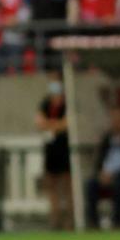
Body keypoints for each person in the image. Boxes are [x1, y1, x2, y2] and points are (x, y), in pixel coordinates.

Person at [85, 112, 120, 227]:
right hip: (105, 175)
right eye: (115, 121)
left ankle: (117, 222)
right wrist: (101, 173)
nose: (117, 124)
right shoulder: (107, 138)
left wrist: (115, 174)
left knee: (119, 184)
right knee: (90, 184)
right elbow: (99, 159)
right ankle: (93, 222)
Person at [36, 81, 72, 229]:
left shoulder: (66, 106)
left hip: (64, 152)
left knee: (67, 189)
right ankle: (55, 221)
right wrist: (56, 125)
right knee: (52, 188)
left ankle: (70, 221)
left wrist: (51, 125)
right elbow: (39, 122)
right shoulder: (45, 105)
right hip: (50, 152)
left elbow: (67, 124)